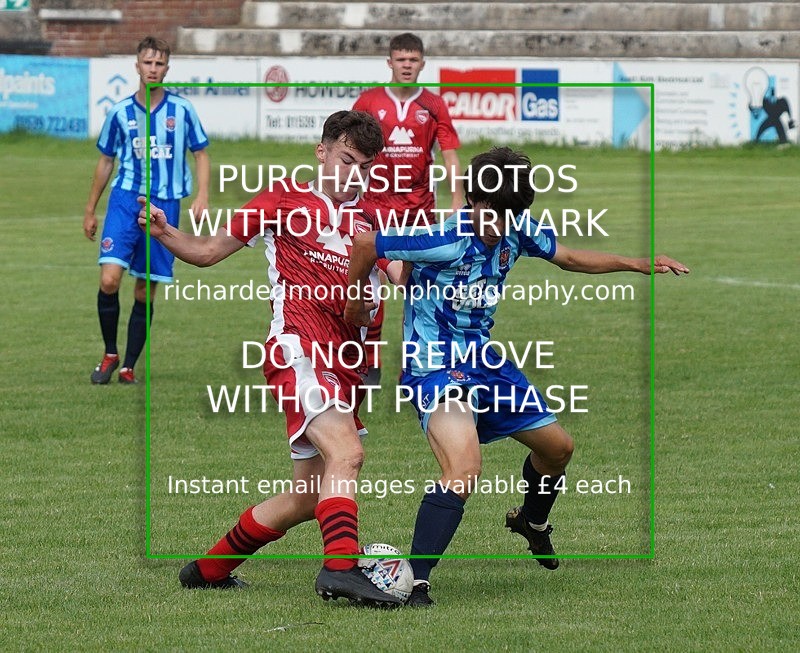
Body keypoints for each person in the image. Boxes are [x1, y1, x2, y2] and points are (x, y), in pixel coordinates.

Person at [344, 147, 690, 607]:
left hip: (484, 362)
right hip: (434, 366)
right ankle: (418, 582)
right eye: (491, 214)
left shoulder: (514, 226)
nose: (500, 226)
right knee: (464, 468)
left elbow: (567, 257)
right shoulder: (443, 237)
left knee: (559, 449)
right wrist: (354, 304)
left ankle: (531, 522)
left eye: (509, 216)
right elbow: (367, 244)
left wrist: (637, 263)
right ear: (472, 201)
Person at [139, 110, 407, 607]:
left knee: (307, 498)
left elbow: (400, 275)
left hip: (346, 364)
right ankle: (340, 571)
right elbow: (209, 251)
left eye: (366, 167)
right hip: (298, 348)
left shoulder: (373, 219)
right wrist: (163, 232)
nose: (355, 175)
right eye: (347, 160)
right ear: (321, 151)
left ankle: (207, 570)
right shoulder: (281, 198)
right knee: (346, 454)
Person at [83, 35, 210, 385]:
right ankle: (110, 353)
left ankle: (129, 366)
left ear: (167, 68)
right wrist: (91, 208)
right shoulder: (120, 112)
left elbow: (200, 153)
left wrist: (202, 195)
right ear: (137, 66)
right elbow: (106, 160)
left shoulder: (182, 111)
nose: (153, 69)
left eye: (159, 63)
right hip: (124, 201)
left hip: (165, 206)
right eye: (147, 62)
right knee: (109, 279)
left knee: (144, 289)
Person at [353, 32, 463, 383]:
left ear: (422, 64)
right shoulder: (368, 102)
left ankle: (416, 365)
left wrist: (458, 199)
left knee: (419, 288)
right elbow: (351, 150)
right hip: (375, 207)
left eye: (413, 60)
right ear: (389, 63)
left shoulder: (434, 104)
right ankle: (370, 365)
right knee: (374, 284)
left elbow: (449, 154)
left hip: (419, 212)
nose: (406, 65)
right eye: (400, 59)